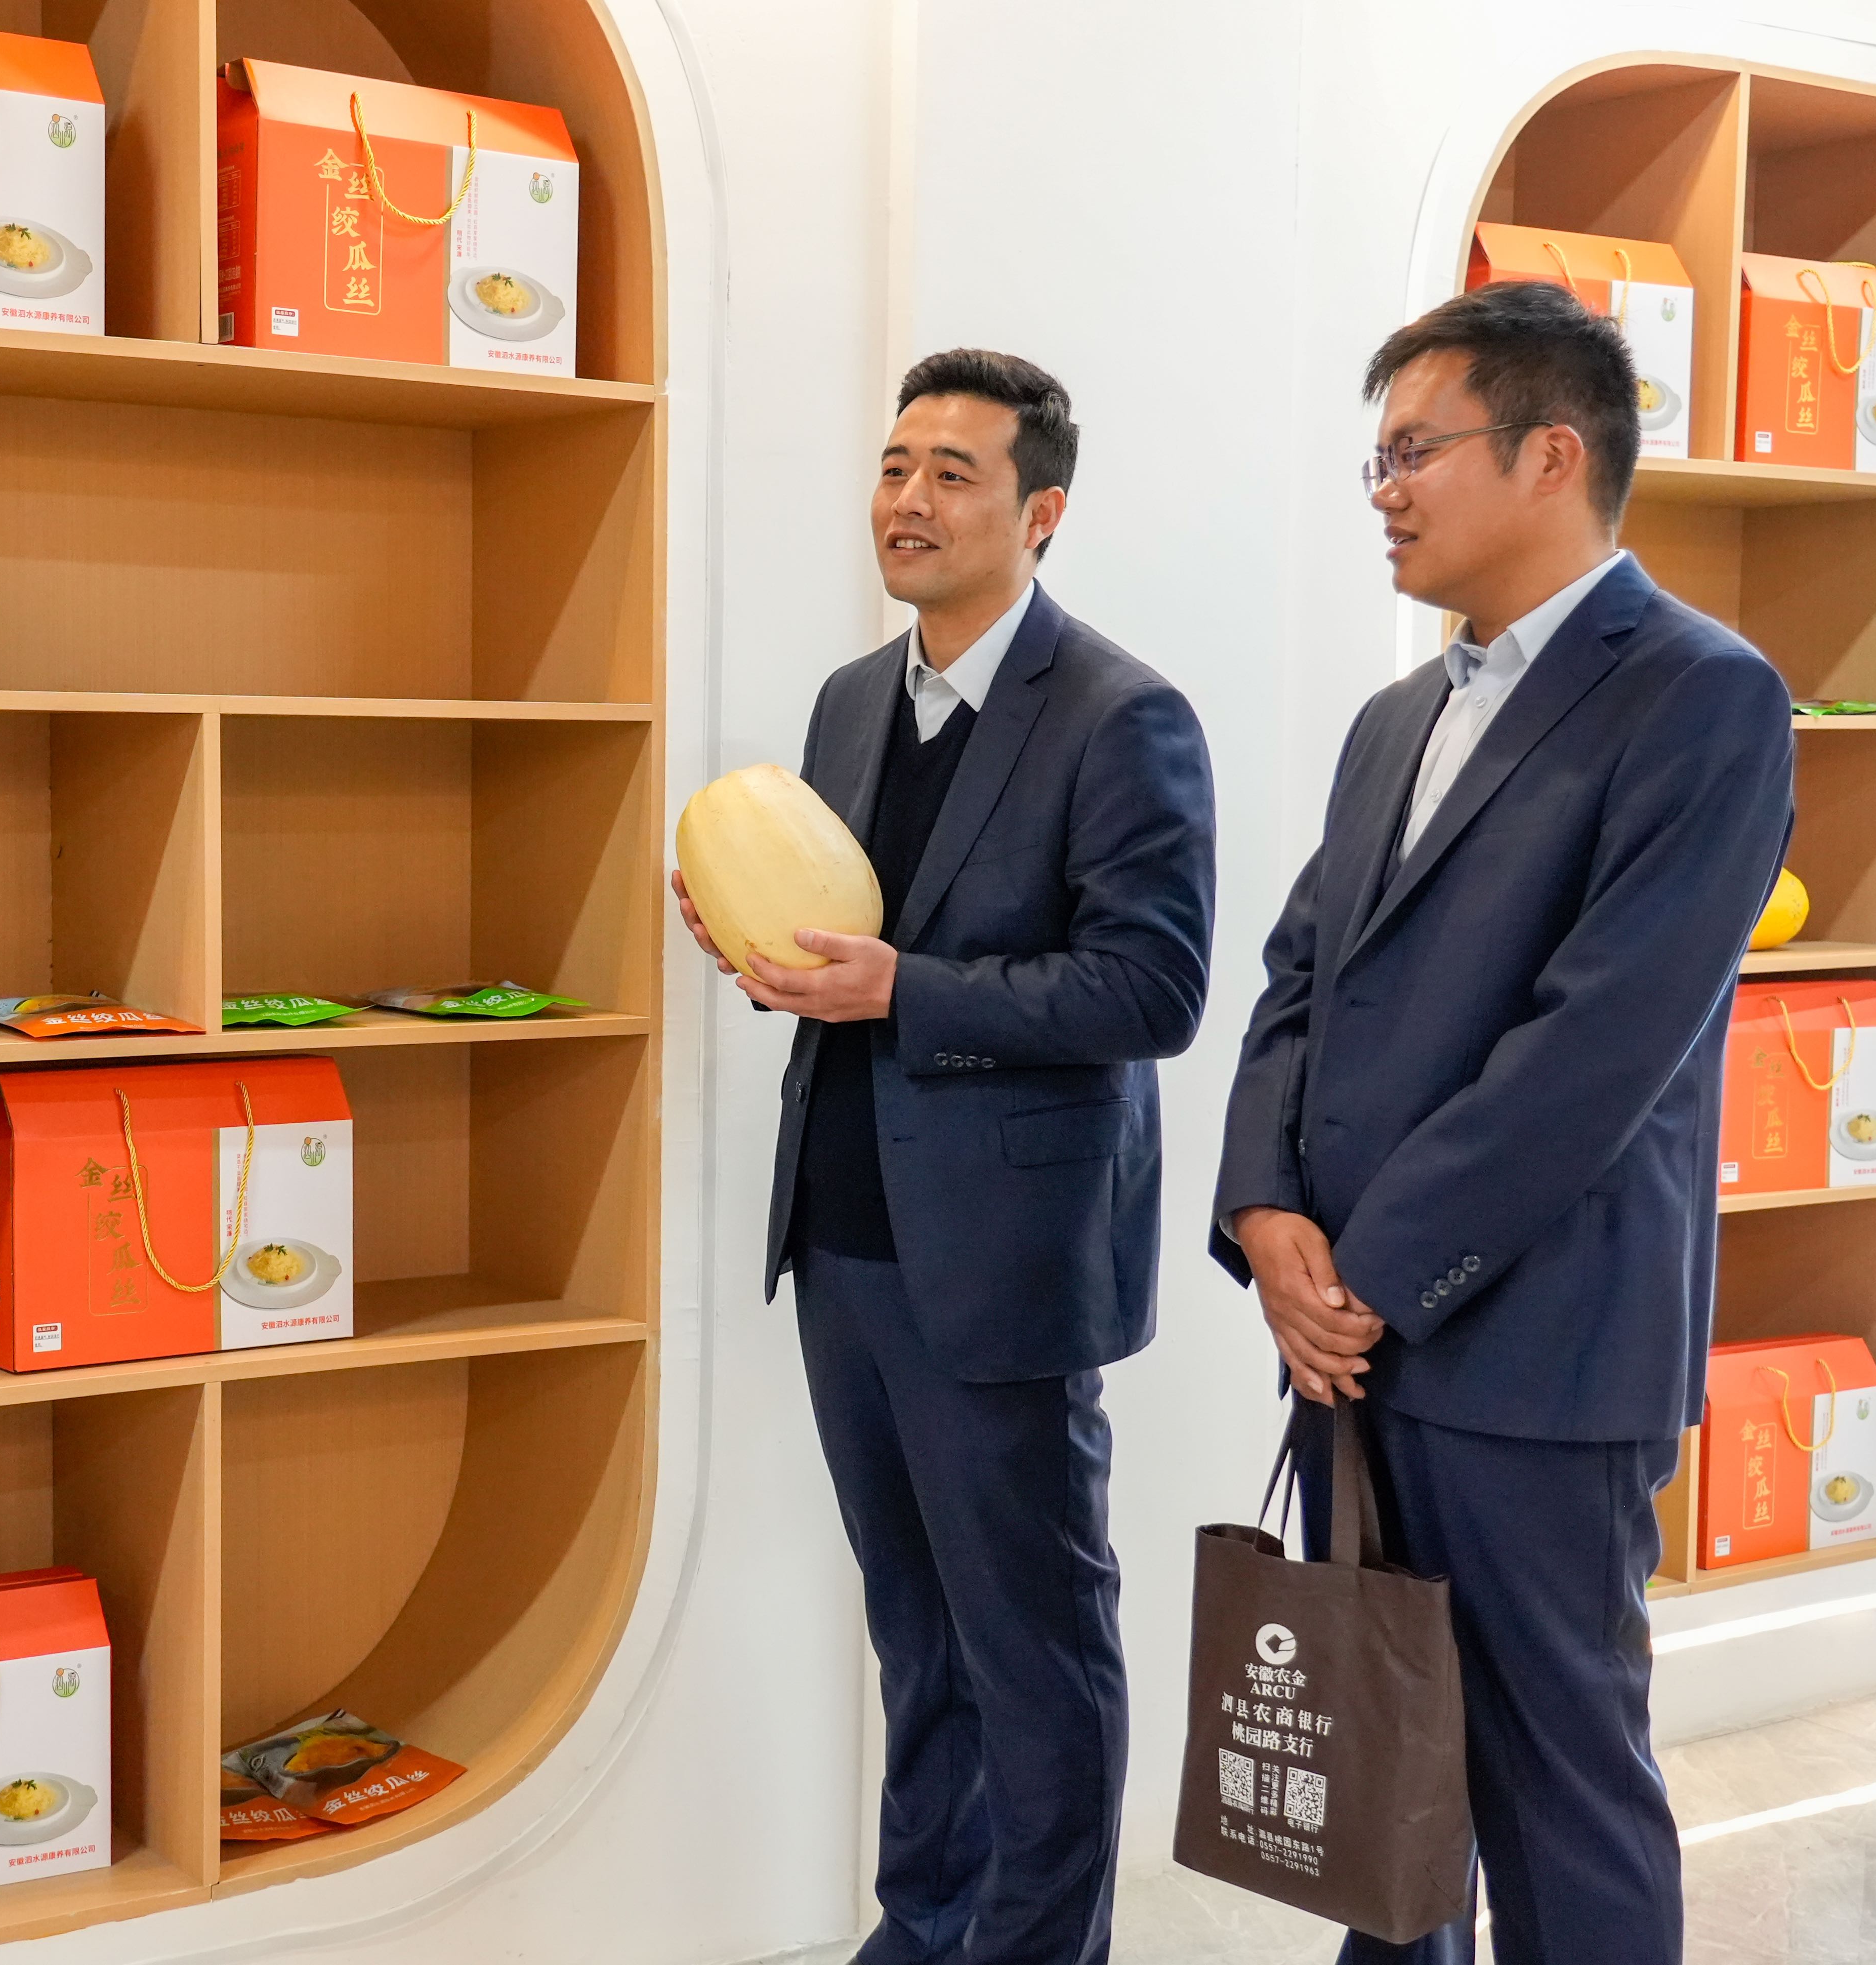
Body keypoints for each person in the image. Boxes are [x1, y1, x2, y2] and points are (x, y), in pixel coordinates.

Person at [1212, 279, 1794, 1964]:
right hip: (1350, 1343)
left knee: (1555, 1790)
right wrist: (1263, 1213)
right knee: (1381, 1791)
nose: (1384, 490)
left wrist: (1367, 1273)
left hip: (1534, 1350)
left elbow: (1596, 1049)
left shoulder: (1700, 695)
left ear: (1551, 455)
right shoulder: (1394, 717)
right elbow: (1298, 981)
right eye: (1377, 459)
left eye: (1416, 451)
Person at [676, 349, 1215, 1963]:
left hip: (1005, 1262)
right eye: (894, 466)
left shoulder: (1122, 714)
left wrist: (902, 988)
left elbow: (1152, 989)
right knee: (914, 1631)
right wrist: (766, 953)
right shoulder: (851, 699)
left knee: (1032, 1643)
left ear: (1039, 514)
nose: (906, 500)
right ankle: (923, 1928)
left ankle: (1037, 1946)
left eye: (952, 474)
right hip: (843, 1236)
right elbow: (843, 933)